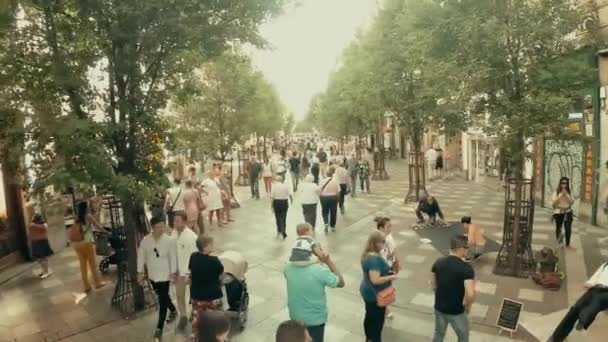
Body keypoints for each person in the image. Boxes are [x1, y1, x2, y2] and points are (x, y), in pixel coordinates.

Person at [284, 245, 345, 342]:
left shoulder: (287, 268)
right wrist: (328, 261)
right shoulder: (319, 271)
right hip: (315, 320)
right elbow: (341, 282)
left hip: (295, 317)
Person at [137, 215, 178, 341]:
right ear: (152, 227)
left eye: (163, 226)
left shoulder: (169, 240)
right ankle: (173, 310)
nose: (161, 229)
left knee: (162, 300)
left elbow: (173, 257)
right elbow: (141, 257)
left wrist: (173, 272)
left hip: (165, 275)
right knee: (163, 296)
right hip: (153, 275)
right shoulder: (146, 240)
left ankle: (159, 328)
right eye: (158, 227)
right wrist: (140, 273)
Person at [430, 235, 476, 342]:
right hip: (456, 311)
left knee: (439, 333)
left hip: (439, 308)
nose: (468, 250)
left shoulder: (438, 262)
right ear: (461, 249)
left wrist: (441, 297)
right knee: (463, 336)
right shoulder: (466, 268)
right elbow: (470, 294)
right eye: (467, 248)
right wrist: (468, 306)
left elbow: (433, 284)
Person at [549, 261, 608, 341]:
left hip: (606, 293)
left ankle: (583, 320)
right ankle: (556, 338)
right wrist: (590, 283)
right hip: (595, 288)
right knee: (575, 309)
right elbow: (598, 274)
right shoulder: (606, 264)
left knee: (596, 302)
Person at [360, 231, 396, 342]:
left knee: (369, 316)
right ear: (375, 243)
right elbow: (375, 280)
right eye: (382, 242)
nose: (384, 244)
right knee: (377, 321)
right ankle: (374, 339)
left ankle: (369, 337)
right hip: (375, 294)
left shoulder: (368, 254)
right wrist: (391, 277)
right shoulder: (374, 260)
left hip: (367, 291)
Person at [189, 236, 225, 342]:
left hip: (197, 296)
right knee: (216, 320)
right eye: (211, 244)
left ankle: (197, 338)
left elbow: (191, 272)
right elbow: (221, 275)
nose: (213, 246)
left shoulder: (193, 257)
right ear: (206, 247)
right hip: (212, 297)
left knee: (197, 320)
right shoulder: (214, 261)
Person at [170, 211, 198, 331]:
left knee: (194, 296)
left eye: (178, 221)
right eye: (174, 221)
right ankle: (183, 316)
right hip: (177, 272)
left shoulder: (191, 237)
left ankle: (194, 314)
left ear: (185, 222)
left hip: (189, 272)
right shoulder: (174, 233)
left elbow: (195, 256)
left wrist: (190, 273)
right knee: (179, 295)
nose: (175, 223)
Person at [70, 201, 106, 292]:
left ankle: (86, 286)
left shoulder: (76, 217)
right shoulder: (88, 216)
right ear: (86, 208)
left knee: (83, 265)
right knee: (92, 264)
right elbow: (98, 226)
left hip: (76, 244)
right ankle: (97, 283)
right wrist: (106, 232)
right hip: (86, 243)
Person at [376, 216, 398, 320]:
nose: (390, 229)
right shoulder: (377, 239)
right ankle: (385, 309)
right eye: (387, 227)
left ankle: (384, 308)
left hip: (387, 268)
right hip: (379, 269)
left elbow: (393, 251)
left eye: (390, 226)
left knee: (385, 289)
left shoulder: (389, 237)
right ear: (380, 228)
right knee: (381, 289)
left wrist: (395, 263)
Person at [552, 176, 575, 249]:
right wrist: (560, 196)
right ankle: (560, 242)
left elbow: (572, 202)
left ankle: (567, 243)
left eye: (565, 183)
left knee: (568, 228)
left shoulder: (569, 192)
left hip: (567, 211)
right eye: (562, 183)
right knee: (559, 228)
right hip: (558, 212)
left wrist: (567, 195)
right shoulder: (556, 192)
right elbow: (553, 204)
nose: (564, 185)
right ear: (560, 184)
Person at [29, 213, 53, 279]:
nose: (31, 218)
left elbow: (33, 227)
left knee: (42, 258)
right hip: (40, 242)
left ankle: (46, 272)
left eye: (33, 217)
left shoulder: (33, 225)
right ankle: (45, 271)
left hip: (40, 243)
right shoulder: (42, 225)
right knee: (42, 258)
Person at [319, 167, 340, 233]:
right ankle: (332, 226)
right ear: (332, 175)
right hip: (333, 197)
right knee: (333, 212)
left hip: (324, 197)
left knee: (325, 211)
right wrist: (338, 199)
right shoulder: (335, 181)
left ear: (326, 175)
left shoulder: (322, 181)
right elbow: (338, 191)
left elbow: (319, 190)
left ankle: (326, 223)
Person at [271, 175, 292, 239]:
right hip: (284, 202)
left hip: (276, 202)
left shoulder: (274, 186)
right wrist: (291, 200)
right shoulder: (285, 186)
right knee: (283, 217)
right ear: (282, 180)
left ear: (276, 180)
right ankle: (283, 230)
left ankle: (279, 230)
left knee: (277, 217)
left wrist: (271, 205)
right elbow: (289, 194)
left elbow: (272, 196)